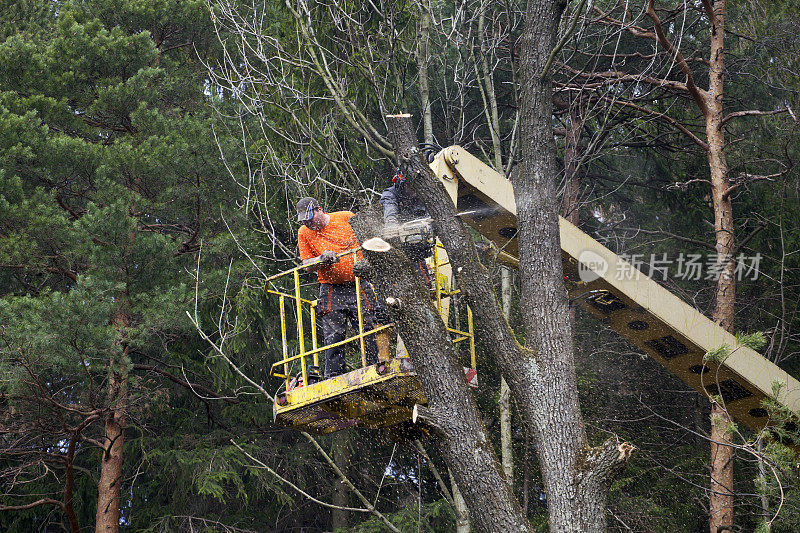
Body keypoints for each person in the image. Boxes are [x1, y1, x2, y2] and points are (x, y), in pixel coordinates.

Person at [296, 197, 381, 378]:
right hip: (331, 288)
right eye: (305, 221)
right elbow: (306, 265)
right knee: (333, 334)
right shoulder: (304, 232)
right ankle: (334, 376)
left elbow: (369, 241)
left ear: (320, 210)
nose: (309, 224)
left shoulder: (345, 217)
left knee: (369, 326)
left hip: (359, 282)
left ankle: (375, 368)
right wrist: (321, 260)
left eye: (310, 219)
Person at [380, 170, 434, 282]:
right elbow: (390, 208)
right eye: (410, 185)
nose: (413, 188)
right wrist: (391, 223)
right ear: (402, 184)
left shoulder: (422, 194)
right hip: (399, 242)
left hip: (419, 243)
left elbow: (430, 212)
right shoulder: (390, 194)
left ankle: (426, 284)